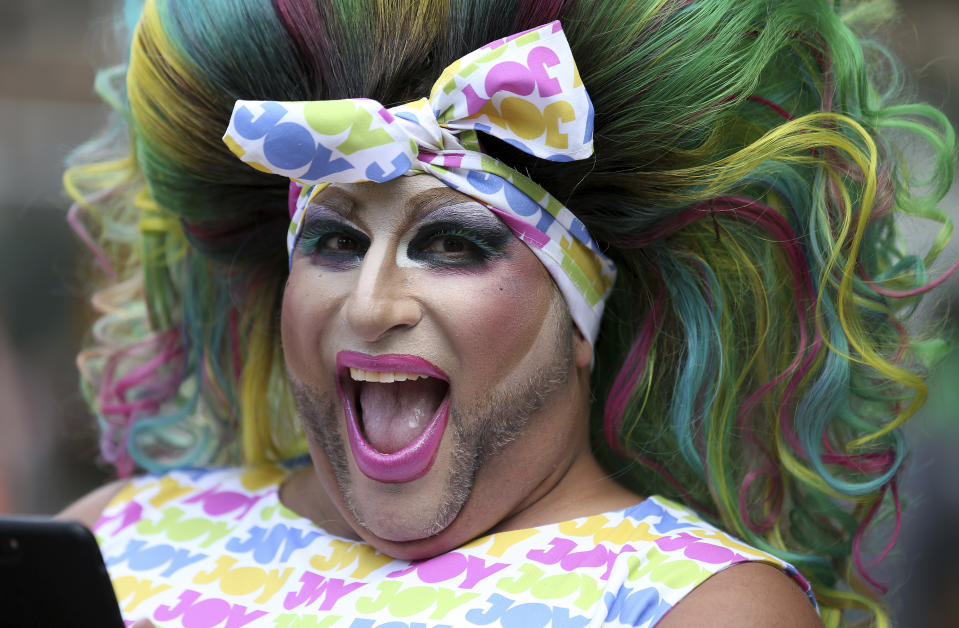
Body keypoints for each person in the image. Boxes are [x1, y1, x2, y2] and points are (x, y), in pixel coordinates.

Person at [59, 0, 956, 625]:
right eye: (333, 243)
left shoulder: (692, 601)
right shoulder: (109, 536)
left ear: (581, 316)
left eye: (451, 244)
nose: (371, 305)